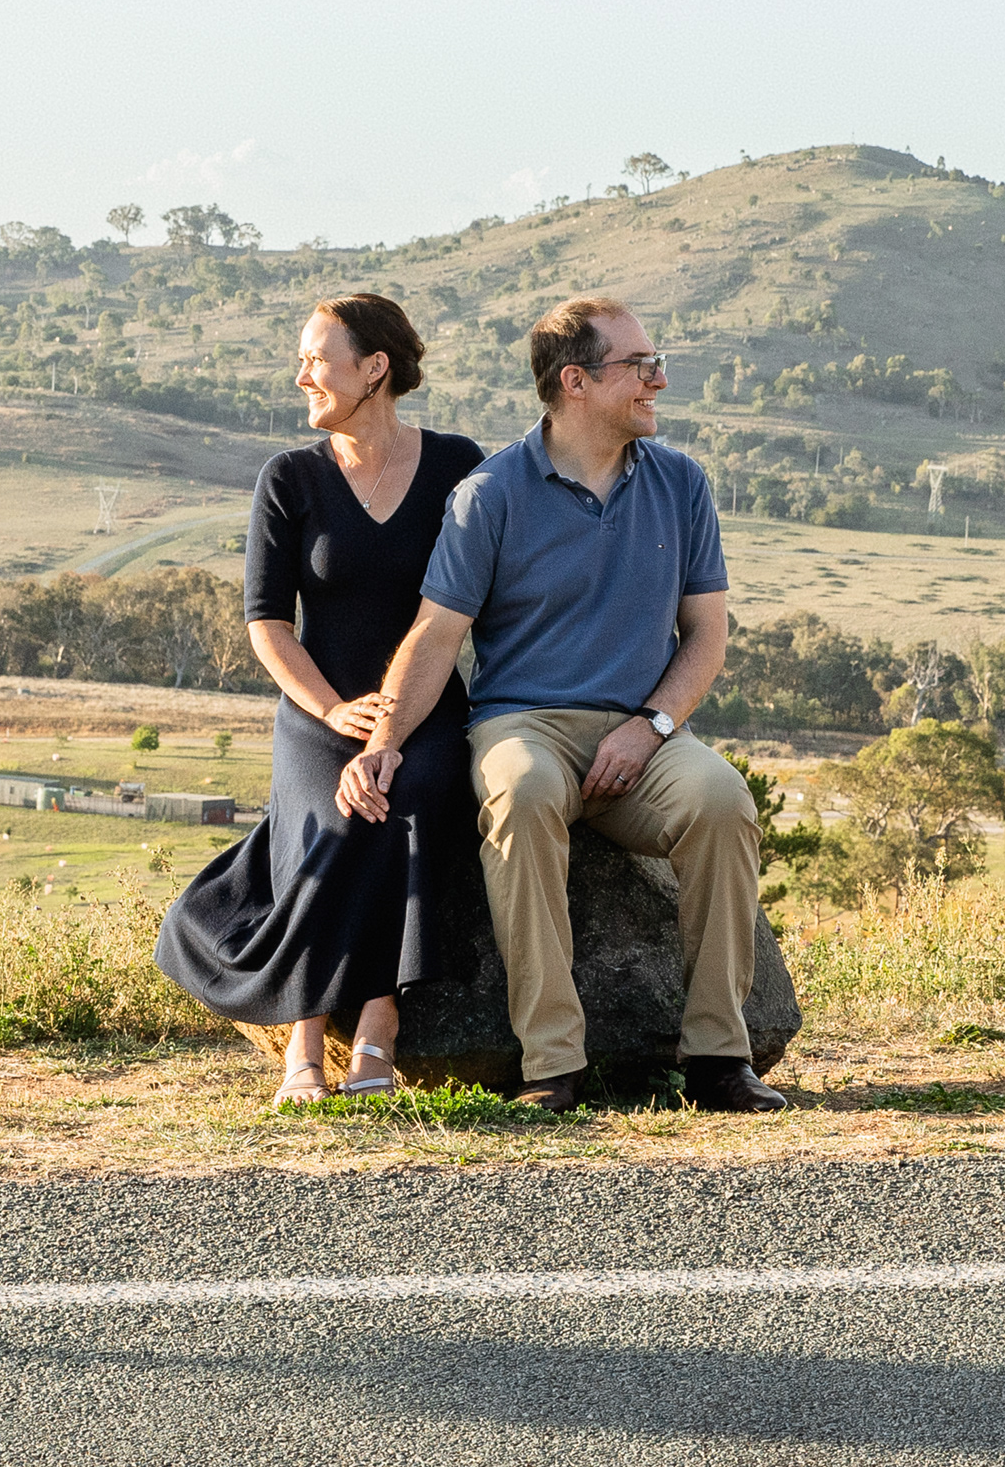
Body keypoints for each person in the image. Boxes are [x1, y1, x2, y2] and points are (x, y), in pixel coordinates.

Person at [346, 296, 778, 1114]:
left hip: (644, 730)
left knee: (723, 800)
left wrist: (651, 728)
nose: (660, 379)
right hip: (524, 724)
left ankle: (721, 1059)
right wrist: (385, 742)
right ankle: (553, 1066)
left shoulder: (682, 483)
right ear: (574, 382)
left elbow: (706, 638)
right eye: (641, 365)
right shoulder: (493, 492)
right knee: (524, 791)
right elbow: (437, 636)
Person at [157, 296, 486, 1105]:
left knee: (407, 798)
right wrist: (334, 711)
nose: (301, 373)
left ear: (375, 368)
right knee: (332, 814)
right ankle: (304, 1040)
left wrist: (394, 726)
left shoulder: (456, 466)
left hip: (429, 707)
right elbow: (266, 623)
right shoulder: (291, 477)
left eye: (316, 357)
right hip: (317, 710)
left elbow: (470, 606)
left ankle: (378, 1028)